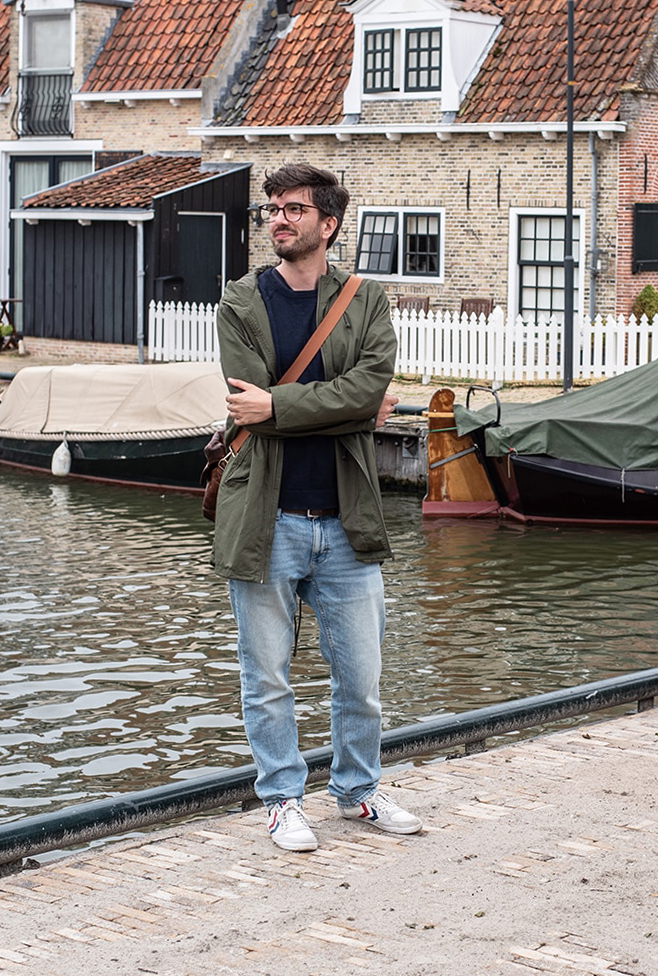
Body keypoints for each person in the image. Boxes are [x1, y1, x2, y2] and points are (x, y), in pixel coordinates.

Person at [213, 163, 422, 852]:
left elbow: (368, 389)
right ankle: (281, 799)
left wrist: (282, 404)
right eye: (271, 207)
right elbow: (259, 405)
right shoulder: (240, 302)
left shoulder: (365, 300)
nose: (278, 217)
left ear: (328, 224)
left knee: (361, 679)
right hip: (265, 520)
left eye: (294, 208)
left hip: (345, 520)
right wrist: (349, 410)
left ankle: (357, 792)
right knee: (266, 678)